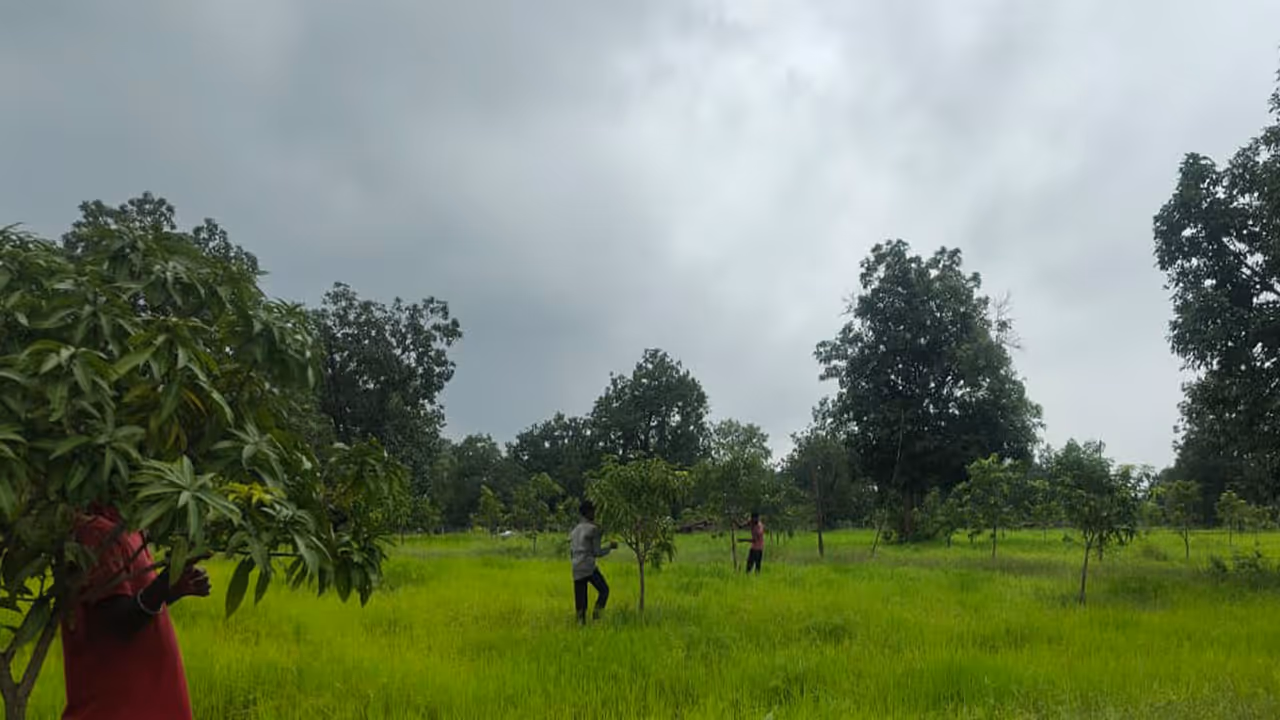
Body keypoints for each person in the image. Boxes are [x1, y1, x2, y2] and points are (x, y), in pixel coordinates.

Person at [61, 506, 212, 720]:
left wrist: (173, 588)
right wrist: (163, 585)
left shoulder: (127, 528)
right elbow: (117, 623)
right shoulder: (95, 532)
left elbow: (133, 605)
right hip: (117, 710)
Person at [569, 500, 616, 624]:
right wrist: (610, 547)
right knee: (604, 590)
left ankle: (581, 625)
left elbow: (571, 552)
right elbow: (597, 552)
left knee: (581, 603)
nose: (595, 513)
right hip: (588, 567)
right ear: (588, 512)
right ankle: (597, 616)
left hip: (576, 567)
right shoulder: (594, 529)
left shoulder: (574, 530)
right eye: (593, 511)